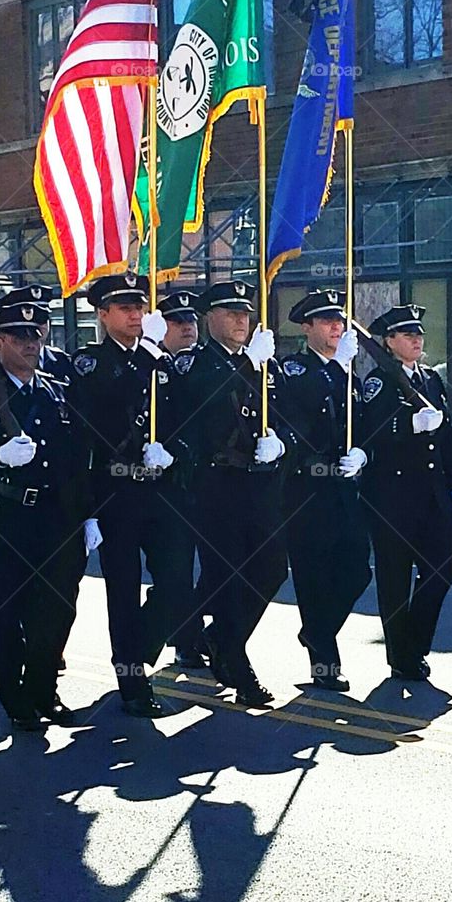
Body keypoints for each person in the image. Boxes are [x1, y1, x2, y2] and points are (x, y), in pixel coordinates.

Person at [0, 292, 97, 731]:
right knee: (9, 612)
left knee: (57, 609)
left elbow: (77, 456)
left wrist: (88, 513)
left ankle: (43, 689)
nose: (30, 344)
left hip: (59, 518)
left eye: (36, 334)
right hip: (7, 518)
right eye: (18, 335)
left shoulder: (56, 389)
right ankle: (17, 700)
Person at [171, 280, 293, 706]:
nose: (242, 319)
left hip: (259, 485)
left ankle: (219, 638)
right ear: (209, 318)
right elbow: (202, 406)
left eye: (245, 312)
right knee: (226, 578)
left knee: (273, 568)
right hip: (214, 486)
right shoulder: (194, 365)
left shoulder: (263, 365)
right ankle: (238, 669)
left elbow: (287, 420)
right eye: (230, 312)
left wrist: (280, 443)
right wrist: (246, 368)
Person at [70, 272, 185, 718]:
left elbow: (181, 419)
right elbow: (85, 436)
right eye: (125, 307)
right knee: (123, 590)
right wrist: (87, 510)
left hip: (159, 493)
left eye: (140, 306)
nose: (136, 313)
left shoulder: (158, 362)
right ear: (102, 315)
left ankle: (138, 652)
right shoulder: (90, 364)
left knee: (176, 580)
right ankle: (132, 683)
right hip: (114, 494)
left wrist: (172, 453)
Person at [360, 304, 452, 682]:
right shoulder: (379, 382)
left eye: (418, 333)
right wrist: (408, 424)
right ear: (389, 342)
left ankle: (414, 640)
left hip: (433, 494)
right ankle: (401, 657)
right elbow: (370, 433)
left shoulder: (431, 379)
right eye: (407, 335)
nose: (417, 340)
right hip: (393, 497)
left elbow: (447, 434)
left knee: (443, 567)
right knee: (395, 578)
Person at [277, 289, 371, 691]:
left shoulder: (347, 374)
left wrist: (363, 454)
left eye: (340, 322)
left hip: (344, 489)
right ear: (307, 327)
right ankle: (324, 663)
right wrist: (334, 370)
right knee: (313, 579)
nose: (336, 328)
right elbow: (297, 414)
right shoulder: (295, 370)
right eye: (327, 321)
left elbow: (363, 426)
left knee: (355, 571)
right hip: (306, 491)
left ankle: (316, 631)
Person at [156, 290, 207, 670]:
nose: (187, 327)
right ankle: (182, 639)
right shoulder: (153, 366)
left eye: (191, 320)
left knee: (216, 568)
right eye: (176, 322)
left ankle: (189, 631)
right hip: (163, 487)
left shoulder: (201, 365)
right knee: (174, 570)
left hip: (204, 482)